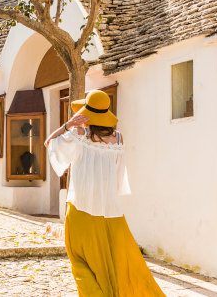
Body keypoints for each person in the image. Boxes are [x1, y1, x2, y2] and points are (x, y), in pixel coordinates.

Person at [45, 89, 164, 296]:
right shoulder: (118, 139)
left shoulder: (78, 135)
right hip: (111, 214)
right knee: (114, 267)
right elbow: (118, 177)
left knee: (81, 265)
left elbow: (49, 143)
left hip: (80, 211)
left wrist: (68, 125)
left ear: (87, 115)